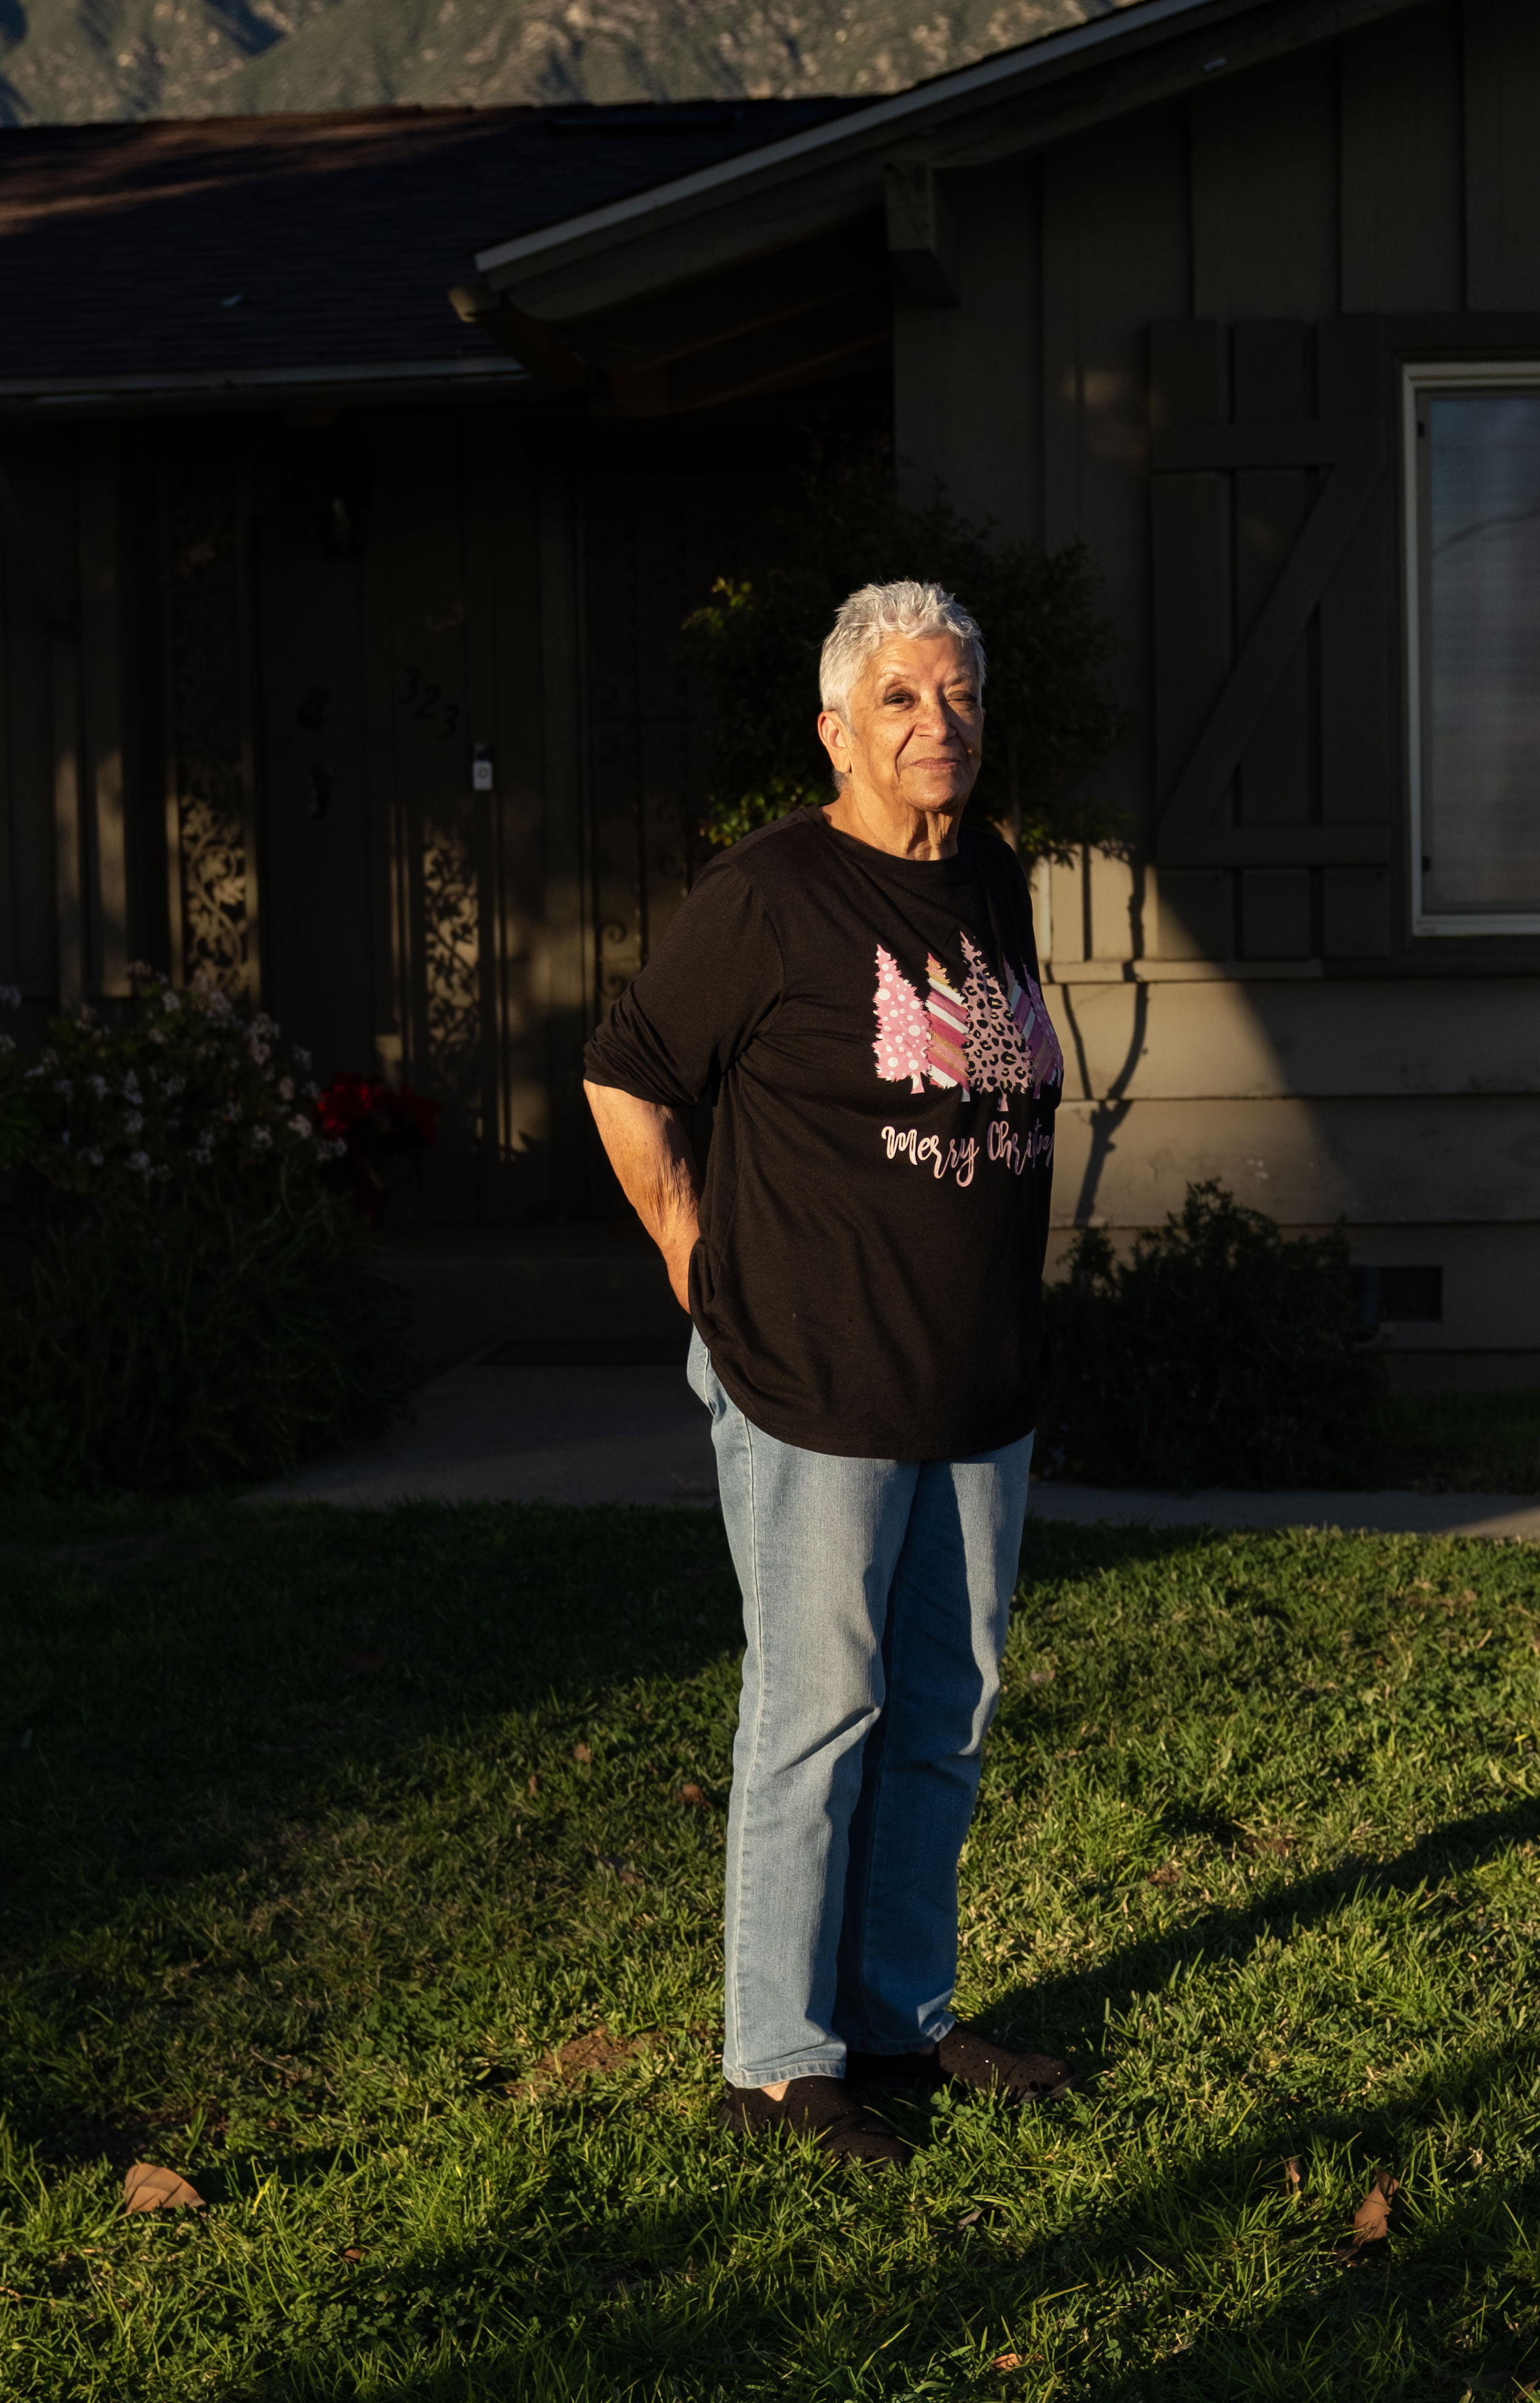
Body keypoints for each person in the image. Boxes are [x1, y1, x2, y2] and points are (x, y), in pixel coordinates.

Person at [581, 579, 1076, 2168]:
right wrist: (689, 1249)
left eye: (960, 694)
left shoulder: (990, 872)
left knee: (944, 1713)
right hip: (811, 1376)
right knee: (819, 1717)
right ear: (837, 731)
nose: (940, 724)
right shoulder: (770, 893)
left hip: (975, 1384)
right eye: (902, 700)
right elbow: (625, 1074)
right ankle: (781, 2061)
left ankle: (896, 2019)